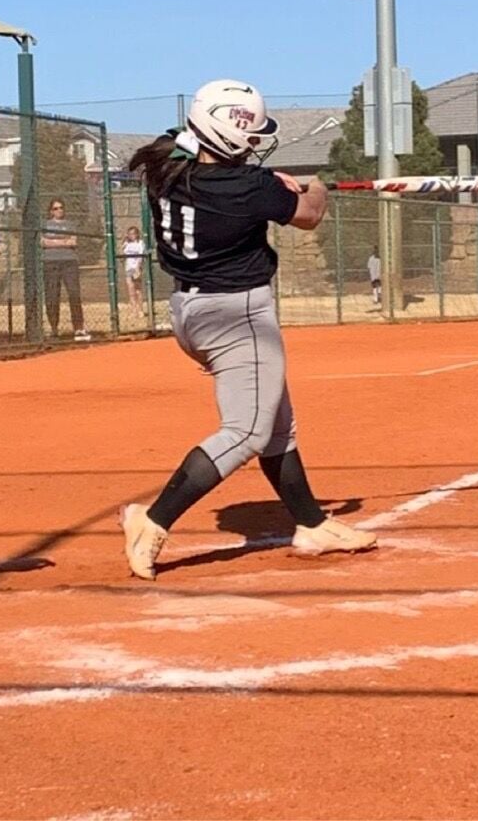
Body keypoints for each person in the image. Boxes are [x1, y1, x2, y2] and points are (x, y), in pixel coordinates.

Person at [120, 78, 377, 580]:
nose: (257, 142)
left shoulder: (167, 160)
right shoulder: (248, 187)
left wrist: (268, 183)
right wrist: (312, 185)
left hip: (190, 312)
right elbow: (309, 214)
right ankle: (151, 519)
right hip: (238, 316)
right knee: (247, 431)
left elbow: (228, 175)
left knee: (277, 423)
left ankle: (311, 523)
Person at [41, 198, 91, 341]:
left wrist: (53, 242)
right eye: (56, 208)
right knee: (52, 296)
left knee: (74, 294)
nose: (59, 210)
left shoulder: (70, 224)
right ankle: (54, 329)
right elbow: (43, 242)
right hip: (50, 263)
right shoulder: (45, 224)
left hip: (69, 262)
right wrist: (63, 241)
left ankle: (79, 328)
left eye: (61, 208)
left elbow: (73, 242)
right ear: (51, 211)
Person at [122, 225, 145, 319]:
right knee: (131, 291)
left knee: (138, 290)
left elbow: (141, 256)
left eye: (133, 234)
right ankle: (133, 311)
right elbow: (123, 253)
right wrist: (124, 241)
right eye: (130, 234)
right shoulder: (127, 243)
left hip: (136, 268)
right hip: (128, 268)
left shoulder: (140, 243)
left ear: (137, 234)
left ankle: (140, 310)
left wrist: (138, 268)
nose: (132, 235)